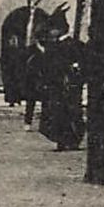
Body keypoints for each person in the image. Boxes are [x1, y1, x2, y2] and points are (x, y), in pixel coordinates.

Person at [38, 19, 87, 152]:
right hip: (59, 86)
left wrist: (75, 71)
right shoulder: (54, 46)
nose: (51, 33)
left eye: (53, 30)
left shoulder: (72, 45)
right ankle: (63, 140)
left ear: (60, 30)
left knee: (71, 112)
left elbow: (83, 63)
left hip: (69, 85)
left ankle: (72, 139)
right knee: (59, 113)